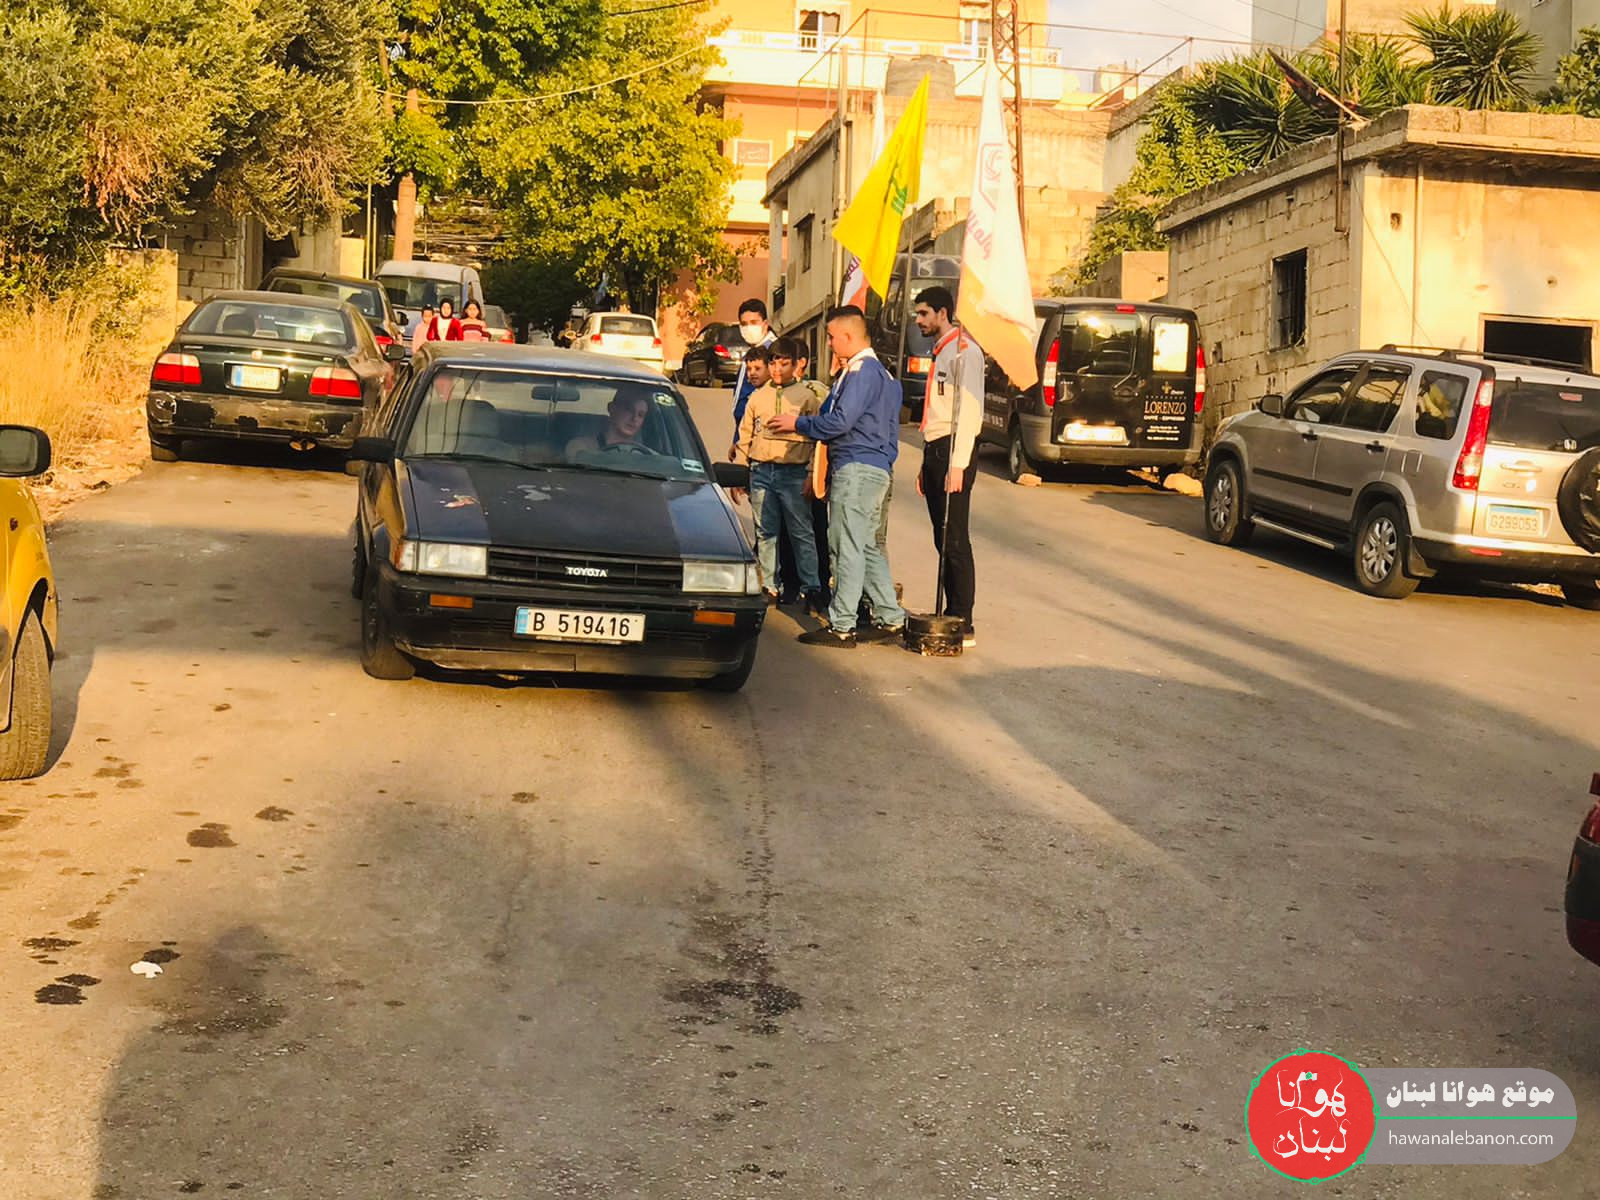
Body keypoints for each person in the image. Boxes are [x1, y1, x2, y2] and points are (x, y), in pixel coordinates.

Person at [768, 306, 906, 648]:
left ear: (847, 336)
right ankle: (890, 616)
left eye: (831, 337)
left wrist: (798, 423)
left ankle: (842, 624)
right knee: (866, 545)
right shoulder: (883, 375)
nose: (829, 344)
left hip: (856, 468)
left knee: (846, 545)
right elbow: (890, 430)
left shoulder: (860, 372)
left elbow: (839, 420)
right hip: (875, 468)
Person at [912, 286, 983, 648]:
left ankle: (962, 619)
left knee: (954, 538)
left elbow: (969, 412)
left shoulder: (965, 352)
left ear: (943, 313)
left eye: (924, 313)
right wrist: (926, 464)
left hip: (955, 448)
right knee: (941, 537)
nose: (918, 320)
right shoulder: (941, 352)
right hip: (936, 447)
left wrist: (957, 464)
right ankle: (950, 610)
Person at [737, 336, 825, 612]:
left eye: (784, 364)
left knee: (801, 532)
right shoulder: (757, 397)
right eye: (773, 363)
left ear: (796, 366)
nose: (777, 370)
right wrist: (741, 472)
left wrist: (812, 473)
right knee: (766, 531)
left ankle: (811, 587)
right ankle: (769, 585)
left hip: (794, 473)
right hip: (762, 471)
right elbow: (745, 435)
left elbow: (818, 439)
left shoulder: (807, 397)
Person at [728, 298, 776, 458]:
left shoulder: (773, 352)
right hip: (745, 432)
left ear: (765, 324)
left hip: (759, 438)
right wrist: (737, 439)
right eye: (744, 324)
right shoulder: (752, 352)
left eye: (754, 322)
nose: (749, 328)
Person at [565, 391, 651, 460]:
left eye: (641, 415)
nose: (634, 418)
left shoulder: (649, 456)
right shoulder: (580, 447)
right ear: (612, 408)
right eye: (629, 410)